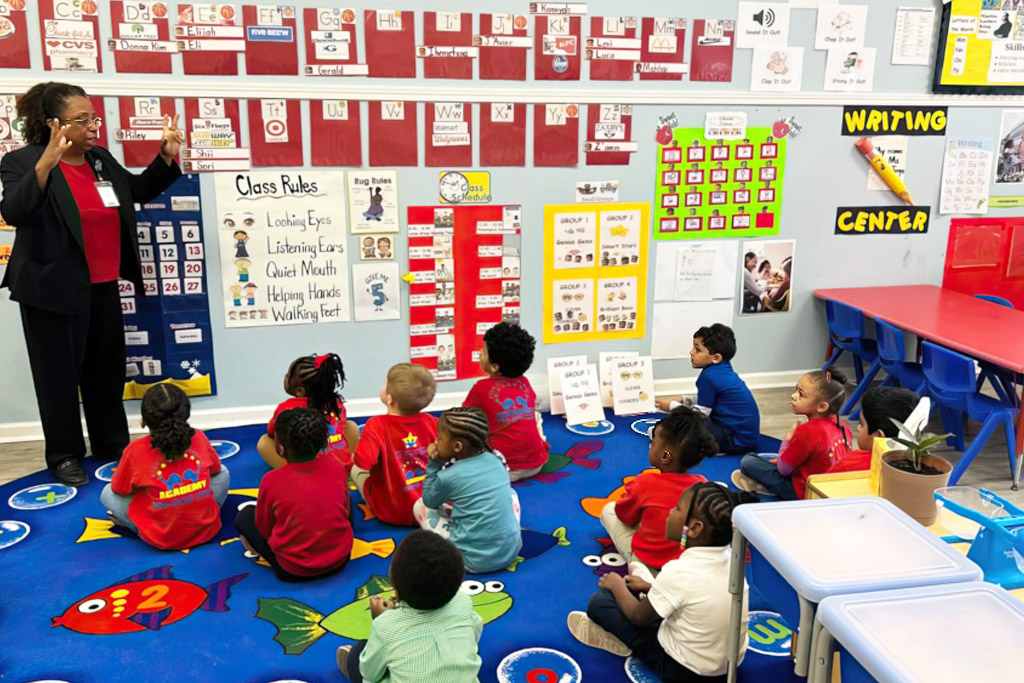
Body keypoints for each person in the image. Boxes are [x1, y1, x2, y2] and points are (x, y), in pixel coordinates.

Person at [1, 82, 183, 486]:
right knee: (57, 379)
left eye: (94, 117)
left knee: (105, 372)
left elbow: (134, 191)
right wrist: (46, 163)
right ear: (53, 124)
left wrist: (165, 158)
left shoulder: (98, 159)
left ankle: (111, 444)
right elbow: (15, 212)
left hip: (102, 286)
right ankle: (65, 455)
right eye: (82, 120)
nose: (93, 126)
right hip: (50, 291)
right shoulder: (21, 163)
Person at [569, 483, 755, 682]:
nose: (670, 513)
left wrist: (616, 585)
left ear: (693, 528)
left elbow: (638, 617)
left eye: (676, 509)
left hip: (683, 669)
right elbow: (701, 595)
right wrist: (650, 587)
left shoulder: (679, 571)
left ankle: (617, 640)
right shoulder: (731, 559)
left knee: (601, 602)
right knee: (655, 596)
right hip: (729, 665)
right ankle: (652, 590)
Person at [337, 531, 482, 683]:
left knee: (359, 655)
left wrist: (381, 619)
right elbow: (476, 632)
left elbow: (370, 674)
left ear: (397, 591)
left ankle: (352, 660)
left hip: (388, 640)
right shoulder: (463, 601)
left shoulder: (385, 626)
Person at [100, 384, 228, 550]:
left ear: (144, 420)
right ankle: (204, 512)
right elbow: (216, 470)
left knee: (107, 493)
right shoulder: (199, 437)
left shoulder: (135, 450)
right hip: (207, 530)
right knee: (224, 473)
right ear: (186, 415)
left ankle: (138, 526)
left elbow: (119, 489)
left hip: (161, 539)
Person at [236, 407, 353, 581]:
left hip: (292, 570)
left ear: (280, 448)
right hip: (341, 560)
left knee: (244, 517)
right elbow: (345, 509)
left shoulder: (271, 480)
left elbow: (264, 527)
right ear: (323, 443)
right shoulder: (335, 466)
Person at [601, 406, 716, 571]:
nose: (650, 446)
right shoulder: (702, 485)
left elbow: (625, 517)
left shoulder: (644, 483)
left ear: (665, 456)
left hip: (647, 561)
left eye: (653, 442)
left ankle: (643, 574)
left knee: (609, 510)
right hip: (684, 564)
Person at [413, 407, 522, 573]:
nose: (436, 442)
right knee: (511, 494)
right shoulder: (496, 460)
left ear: (457, 447)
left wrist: (434, 463)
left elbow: (429, 501)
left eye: (440, 438)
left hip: (470, 560)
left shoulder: (447, 476)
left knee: (420, 506)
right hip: (510, 552)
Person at [733, 370, 852, 500]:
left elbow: (783, 469)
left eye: (801, 394)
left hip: (803, 492)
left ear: (822, 407)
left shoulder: (808, 431)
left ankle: (766, 487)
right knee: (769, 457)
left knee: (749, 461)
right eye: (796, 390)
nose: (793, 396)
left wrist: (788, 438)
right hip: (828, 489)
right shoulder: (844, 427)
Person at [351, 363, 437, 526]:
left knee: (356, 470)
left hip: (392, 512)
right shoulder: (434, 423)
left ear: (389, 398)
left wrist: (355, 455)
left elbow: (363, 462)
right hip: (432, 510)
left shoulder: (376, 425)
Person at [463, 323, 549, 482]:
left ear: (494, 367)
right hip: (536, 464)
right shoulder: (525, 383)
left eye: (483, 352)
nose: (480, 354)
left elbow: (464, 421)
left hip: (500, 469)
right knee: (534, 419)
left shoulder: (481, 389)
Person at [657, 324, 760, 455]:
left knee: (681, 424)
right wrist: (683, 400)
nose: (691, 352)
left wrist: (671, 406)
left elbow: (698, 416)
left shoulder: (709, 377)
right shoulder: (722, 369)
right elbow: (712, 399)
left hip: (734, 441)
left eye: (697, 349)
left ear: (716, 358)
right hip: (745, 439)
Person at [257, 353, 358, 470]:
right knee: (351, 426)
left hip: (309, 472)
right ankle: (345, 466)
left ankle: (297, 473)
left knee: (264, 442)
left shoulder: (286, 408)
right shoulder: (336, 404)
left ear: (300, 391)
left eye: (288, 375)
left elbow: (271, 432)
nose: (285, 376)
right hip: (339, 469)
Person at [828, 387, 922, 473]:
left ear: (879, 436)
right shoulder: (921, 465)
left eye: (862, 425)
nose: (858, 428)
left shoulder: (849, 464)